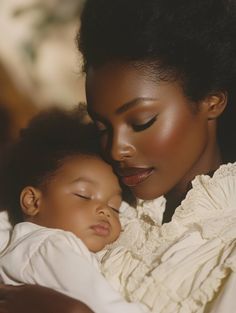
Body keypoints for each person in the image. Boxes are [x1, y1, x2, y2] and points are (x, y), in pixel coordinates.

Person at [0, 0, 236, 312]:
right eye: (102, 127)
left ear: (212, 101)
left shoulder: (225, 245)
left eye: (141, 122)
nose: (116, 149)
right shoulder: (82, 186)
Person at [0, 107, 146, 313]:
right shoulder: (51, 246)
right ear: (33, 202)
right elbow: (107, 307)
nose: (105, 210)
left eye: (114, 207)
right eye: (84, 195)